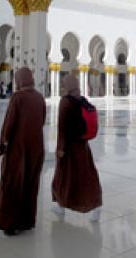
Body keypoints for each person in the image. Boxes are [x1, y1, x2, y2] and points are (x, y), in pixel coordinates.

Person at [0, 67, 46, 235]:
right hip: (36, 148)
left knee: (13, 183)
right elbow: (42, 120)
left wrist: (1, 145)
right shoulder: (39, 98)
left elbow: (9, 124)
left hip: (18, 149)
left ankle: (9, 223)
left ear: (19, 80)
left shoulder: (18, 97)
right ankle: (26, 221)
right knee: (30, 183)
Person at [51, 74, 102, 221]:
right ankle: (96, 205)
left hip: (69, 148)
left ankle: (61, 206)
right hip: (83, 146)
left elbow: (62, 128)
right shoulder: (82, 100)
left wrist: (60, 148)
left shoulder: (65, 102)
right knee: (87, 176)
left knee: (62, 178)